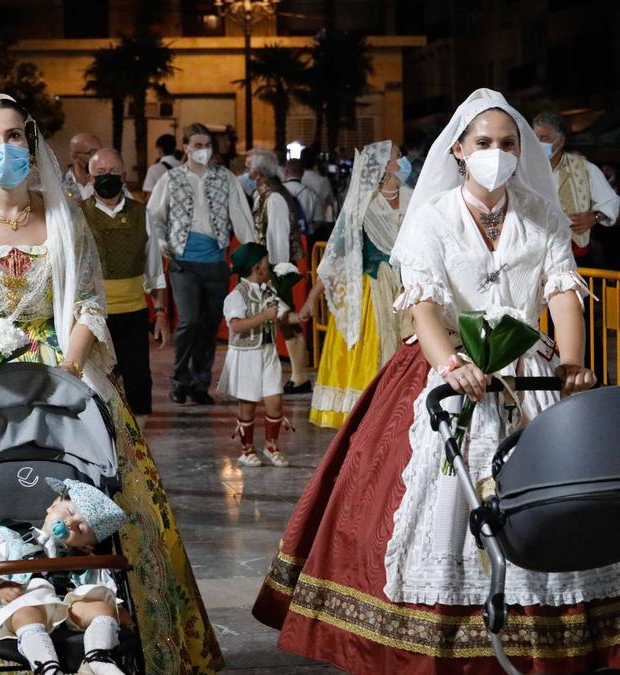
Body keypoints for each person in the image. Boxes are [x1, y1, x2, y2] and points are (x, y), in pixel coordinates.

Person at [0, 94, 223, 673]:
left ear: (30, 141)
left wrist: (71, 373)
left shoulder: (64, 215)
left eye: (13, 136)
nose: (5, 148)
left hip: (58, 371)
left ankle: (102, 627)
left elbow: (85, 302)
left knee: (98, 490)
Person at [252, 89, 611, 674]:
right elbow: (423, 306)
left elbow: (562, 289)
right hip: (446, 366)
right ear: (460, 152)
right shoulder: (433, 218)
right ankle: (432, 636)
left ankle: (545, 635)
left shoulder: (541, 214)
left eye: (507, 144)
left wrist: (570, 360)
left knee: (546, 493)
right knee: (432, 496)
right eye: (484, 143)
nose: (497, 153)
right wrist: (450, 363)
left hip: (528, 372)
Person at [300, 141, 413, 428]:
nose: (403, 160)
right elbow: (336, 257)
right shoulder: (362, 206)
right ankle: (369, 414)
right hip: (370, 290)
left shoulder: (414, 198)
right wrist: (312, 298)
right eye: (398, 156)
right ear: (384, 165)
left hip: (407, 288)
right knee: (370, 350)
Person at [147, 122, 256, 406]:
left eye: (207, 146)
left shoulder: (226, 178)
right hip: (183, 261)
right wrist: (160, 241)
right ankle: (180, 378)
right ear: (185, 147)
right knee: (189, 320)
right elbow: (154, 216)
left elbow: (241, 217)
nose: (203, 151)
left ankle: (200, 383)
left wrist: (253, 251)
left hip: (215, 261)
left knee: (209, 325)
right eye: (197, 145)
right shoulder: (171, 179)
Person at [0, 478, 128, 675]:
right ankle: (48, 668)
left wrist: (116, 608)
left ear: (87, 544)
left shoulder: (83, 561)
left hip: (71, 609)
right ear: (53, 505)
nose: (70, 523)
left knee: (103, 607)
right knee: (26, 612)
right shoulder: (13, 540)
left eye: (81, 530)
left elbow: (102, 588)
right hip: (26, 605)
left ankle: (98, 659)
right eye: (70, 513)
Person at [83, 148, 168, 422]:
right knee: (94, 375)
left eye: (113, 173)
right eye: (100, 173)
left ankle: (139, 435)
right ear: (89, 177)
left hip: (133, 310)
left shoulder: (142, 213)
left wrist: (161, 313)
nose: (107, 178)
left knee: (138, 376)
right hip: (92, 312)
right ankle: (97, 428)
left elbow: (154, 268)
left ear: (125, 175)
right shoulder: (77, 215)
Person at [217, 243, 293, 468]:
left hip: (268, 352)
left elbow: (282, 314)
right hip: (246, 354)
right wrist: (264, 315)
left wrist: (303, 315)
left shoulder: (269, 290)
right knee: (248, 404)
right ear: (257, 268)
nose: (268, 267)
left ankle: (272, 446)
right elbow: (237, 326)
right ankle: (246, 449)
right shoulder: (236, 296)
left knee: (275, 400)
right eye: (265, 263)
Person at [247, 149, 312, 394]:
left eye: (249, 167)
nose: (247, 172)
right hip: (265, 267)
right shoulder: (263, 194)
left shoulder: (274, 197)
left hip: (274, 267)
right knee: (276, 320)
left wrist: (275, 270)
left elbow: (277, 236)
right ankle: (295, 376)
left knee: (283, 319)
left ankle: (299, 376)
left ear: (259, 172)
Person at [531, 110, 619, 268]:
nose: (538, 143)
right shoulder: (524, 169)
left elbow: (612, 202)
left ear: (560, 140)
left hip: (576, 257)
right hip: (535, 257)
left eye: (544, 138)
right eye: (535, 138)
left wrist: (595, 217)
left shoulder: (584, 168)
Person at [299, 146, 336, 237]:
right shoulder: (323, 181)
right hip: (318, 227)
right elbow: (331, 202)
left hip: (299, 227)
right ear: (315, 162)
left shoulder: (298, 180)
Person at [282, 158, 320, 236]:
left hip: (282, 236)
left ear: (285, 172)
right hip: (304, 238)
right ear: (303, 173)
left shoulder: (277, 191)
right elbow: (318, 221)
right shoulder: (311, 194)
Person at [63, 132, 102, 202]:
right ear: (74, 156)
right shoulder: (59, 184)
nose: (99, 158)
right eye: (92, 153)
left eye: (101, 152)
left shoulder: (110, 181)